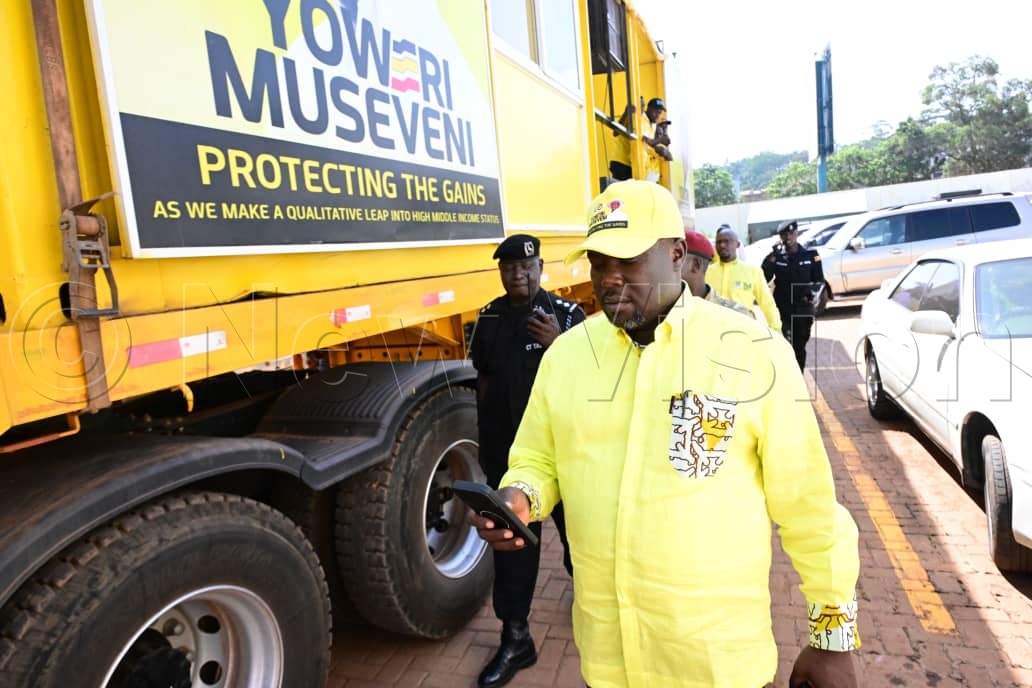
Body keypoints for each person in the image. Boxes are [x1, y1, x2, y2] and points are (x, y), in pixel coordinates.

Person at [470, 180, 861, 688]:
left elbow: (810, 507)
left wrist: (832, 639)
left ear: (676, 255)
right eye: (598, 262)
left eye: (628, 261)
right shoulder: (567, 356)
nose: (609, 280)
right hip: (609, 664)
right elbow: (537, 458)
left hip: (717, 666)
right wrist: (521, 496)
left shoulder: (751, 353)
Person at [469, 233, 585, 688]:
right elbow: (482, 380)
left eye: (526, 267)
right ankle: (516, 637)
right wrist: (486, 449)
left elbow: (595, 379)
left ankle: (593, 604)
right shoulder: (490, 317)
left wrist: (560, 342)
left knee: (581, 540)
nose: (518, 274)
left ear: (540, 270)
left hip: (565, 456)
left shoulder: (568, 316)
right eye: (509, 267)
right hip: (512, 462)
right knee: (513, 551)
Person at [763, 220, 825, 370]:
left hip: (803, 310)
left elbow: (818, 280)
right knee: (784, 345)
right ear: (780, 237)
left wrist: (811, 295)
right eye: (784, 234)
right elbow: (763, 278)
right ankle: (787, 378)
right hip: (783, 310)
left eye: (791, 233)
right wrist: (770, 261)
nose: (788, 237)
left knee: (799, 346)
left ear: (797, 233)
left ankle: (799, 377)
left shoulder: (811, 255)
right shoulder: (776, 257)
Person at [705, 224, 782, 329]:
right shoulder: (706, 272)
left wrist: (776, 328)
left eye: (727, 241)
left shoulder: (753, 272)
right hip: (713, 330)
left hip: (742, 332)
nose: (722, 245)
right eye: (719, 242)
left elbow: (767, 303)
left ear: (737, 244)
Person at [681, 230, 754, 318]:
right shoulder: (666, 309)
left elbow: (767, 303)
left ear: (695, 265)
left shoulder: (738, 317)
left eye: (676, 257)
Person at [641, 97, 673, 182]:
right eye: (656, 112)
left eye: (660, 113)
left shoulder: (653, 125)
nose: (658, 115)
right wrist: (659, 141)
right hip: (640, 169)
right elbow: (645, 140)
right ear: (649, 108)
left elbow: (668, 156)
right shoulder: (641, 119)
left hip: (651, 174)